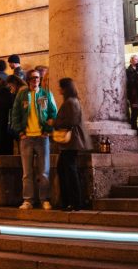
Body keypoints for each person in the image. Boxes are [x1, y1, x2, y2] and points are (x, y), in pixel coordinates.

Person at [9, 69, 57, 209]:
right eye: (33, 78)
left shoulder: (46, 94)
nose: (36, 80)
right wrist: (20, 132)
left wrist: (47, 131)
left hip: (42, 138)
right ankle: (28, 200)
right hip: (26, 138)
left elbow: (53, 114)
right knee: (27, 172)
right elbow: (15, 114)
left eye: (38, 78)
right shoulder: (22, 95)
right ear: (29, 80)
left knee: (44, 171)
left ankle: (44, 199)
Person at [53, 77, 91, 211]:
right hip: (70, 143)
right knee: (64, 170)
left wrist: (55, 123)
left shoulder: (71, 102)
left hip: (72, 142)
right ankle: (68, 202)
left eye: (60, 87)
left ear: (65, 88)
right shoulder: (71, 101)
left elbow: (72, 121)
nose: (59, 90)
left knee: (69, 171)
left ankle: (75, 202)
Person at [125, 56, 138, 131]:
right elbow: (129, 82)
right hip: (133, 94)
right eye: (135, 59)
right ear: (131, 61)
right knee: (134, 111)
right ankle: (134, 127)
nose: (137, 61)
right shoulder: (128, 71)